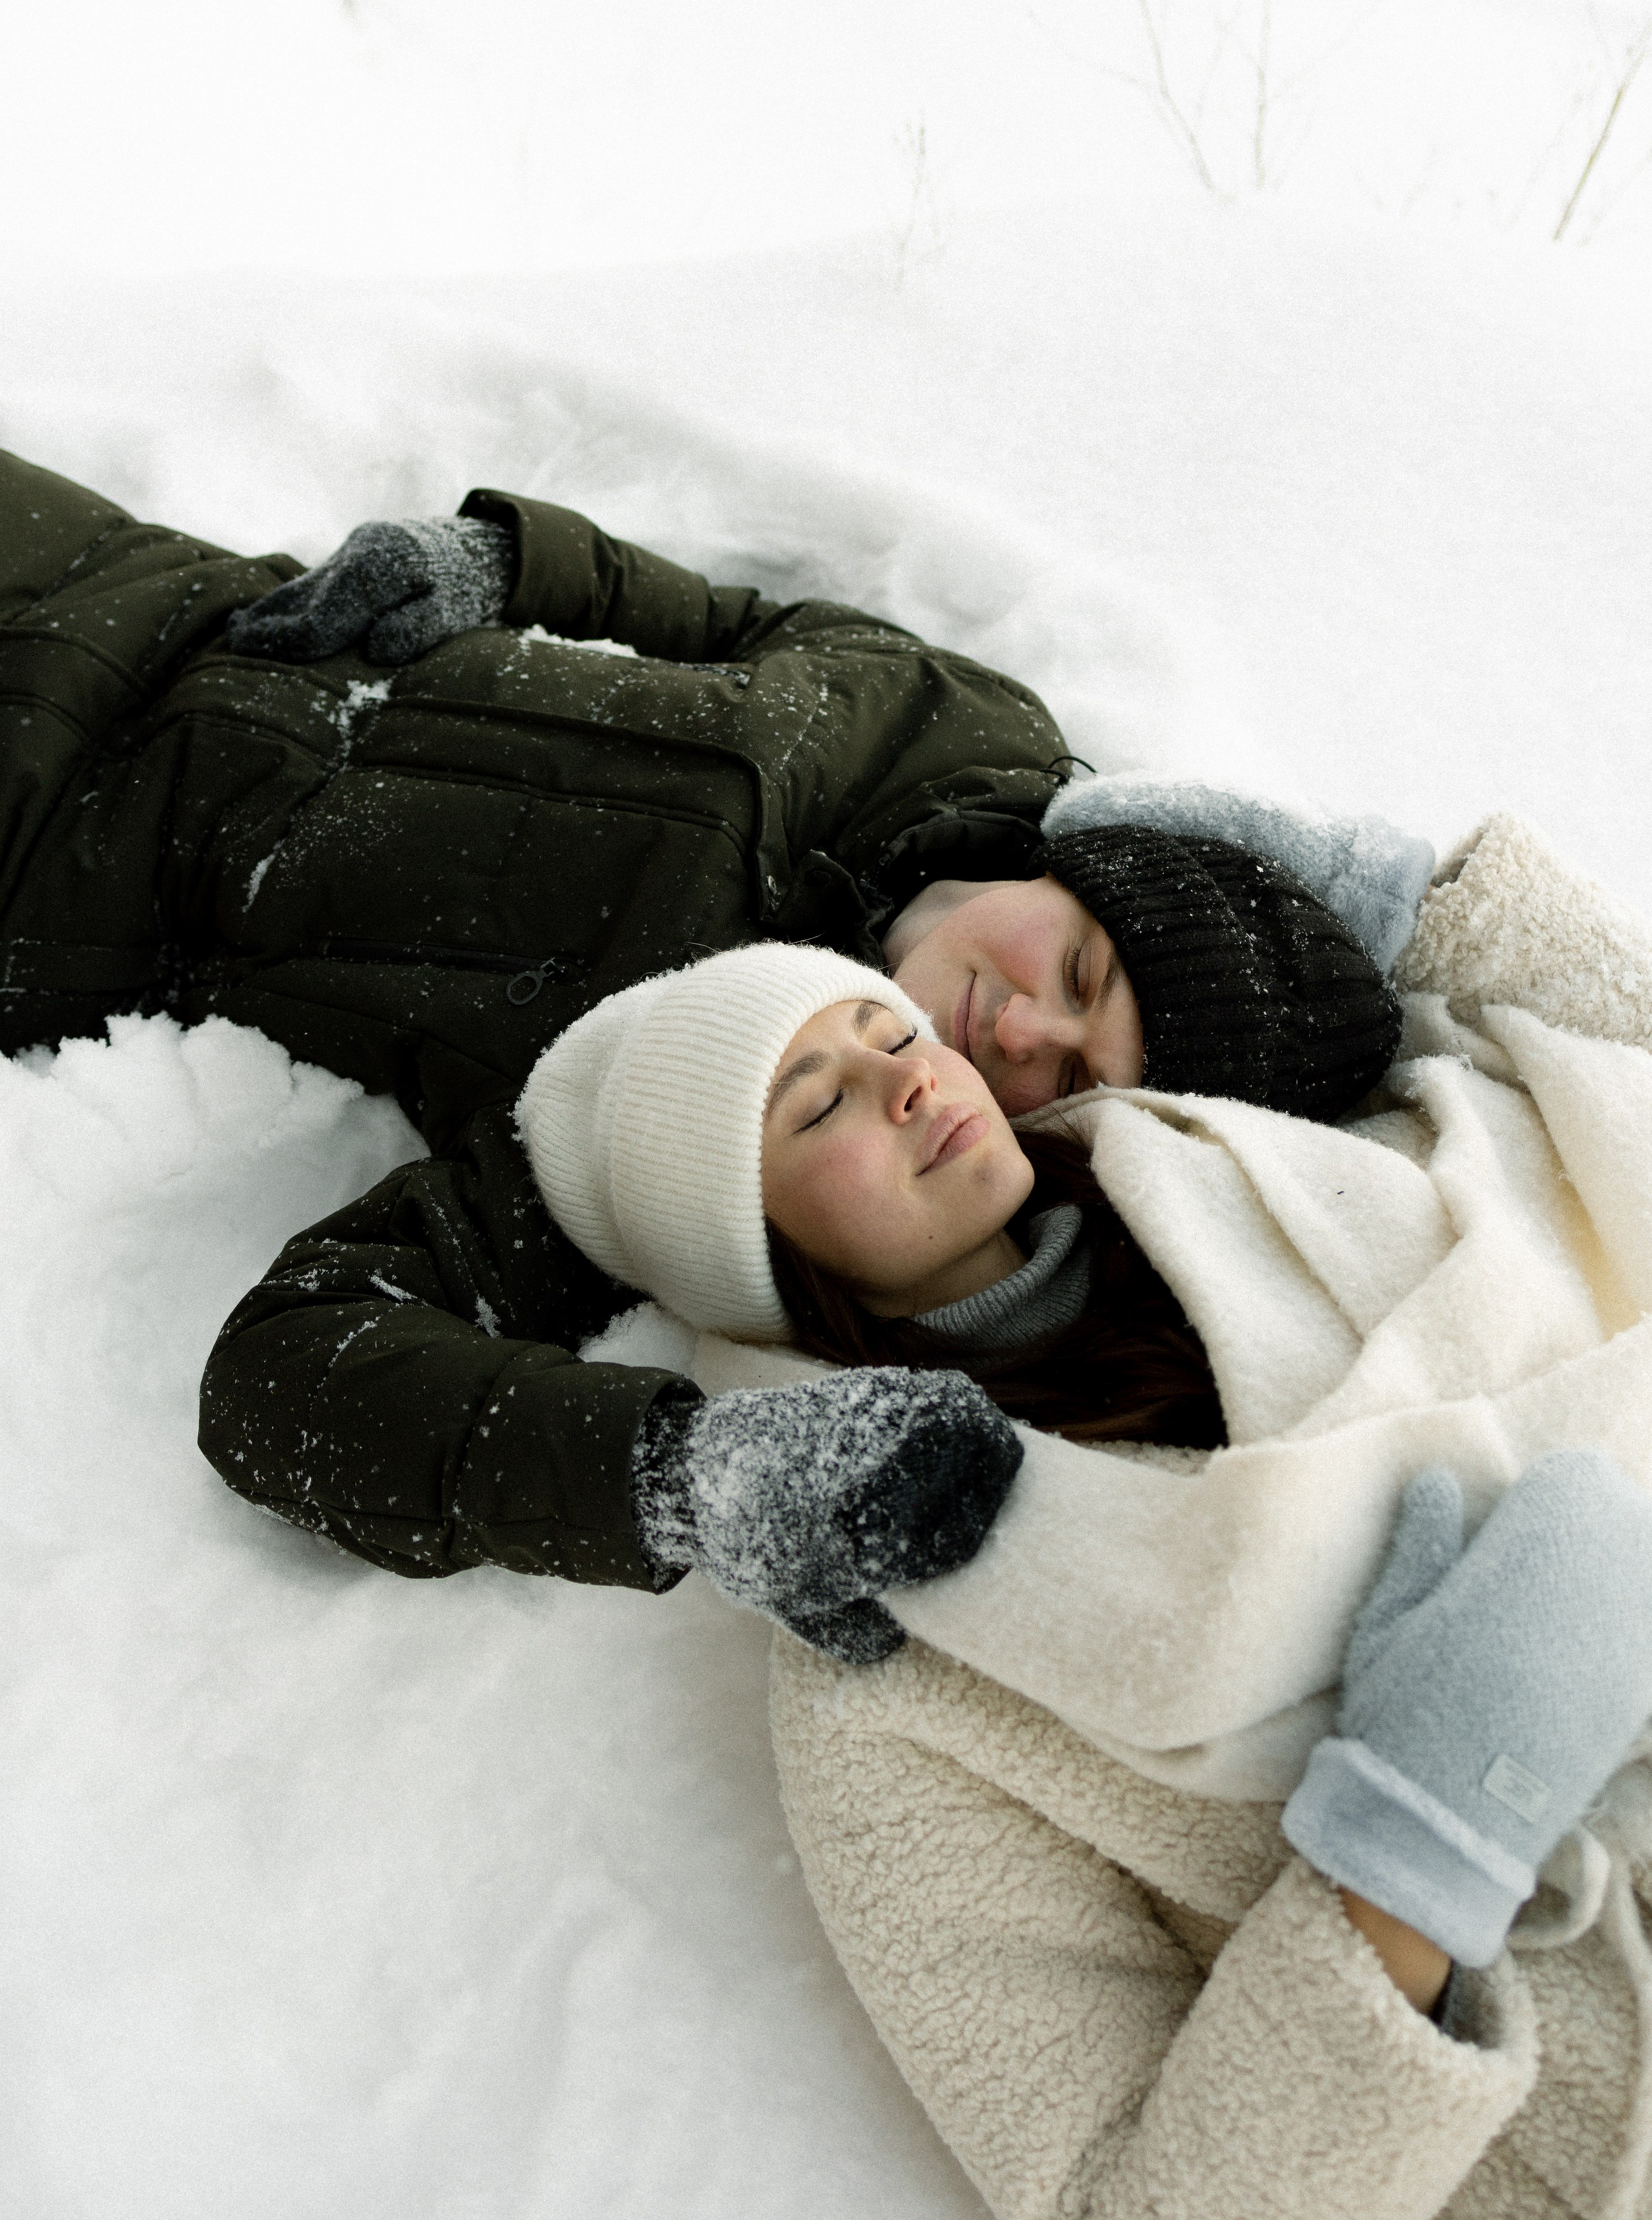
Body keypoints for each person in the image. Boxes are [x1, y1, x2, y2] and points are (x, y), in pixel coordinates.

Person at [0, 445, 1403, 1636]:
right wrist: (509, 566)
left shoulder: (689, 1111)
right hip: (157, 586)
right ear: (1075, 869)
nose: (1018, 1034)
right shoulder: (969, 733)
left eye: (1078, 1082)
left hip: (48, 851)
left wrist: (675, 1477)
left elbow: (288, 1382)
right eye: (1081, 969)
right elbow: (739, 622)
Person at [519, 894, 1652, 2220]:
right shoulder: (893, 1691)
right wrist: (1407, 1866)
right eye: (816, 1107)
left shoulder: (1260, 1156)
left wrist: (1427, 885)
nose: (903, 1080)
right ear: (753, 1264)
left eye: (888, 1030)